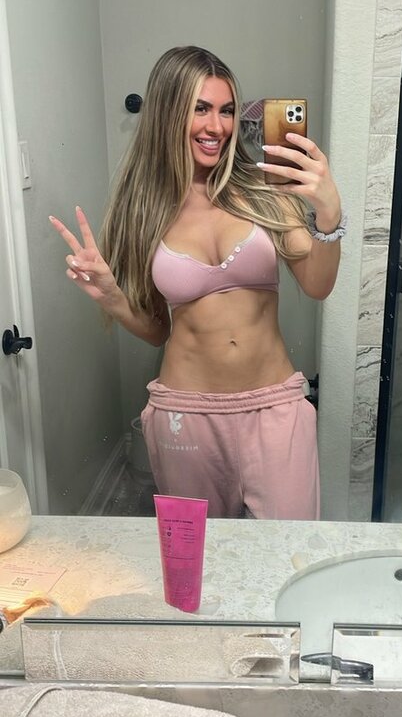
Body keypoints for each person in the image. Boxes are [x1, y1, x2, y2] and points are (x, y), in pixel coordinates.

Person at [50, 45, 344, 519]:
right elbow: (158, 330)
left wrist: (329, 216)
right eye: (200, 108)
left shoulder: (264, 190)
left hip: (274, 408)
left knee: (290, 551)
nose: (217, 126)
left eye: (226, 110)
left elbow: (317, 284)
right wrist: (114, 298)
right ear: (168, 113)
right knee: (197, 557)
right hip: (184, 415)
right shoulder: (143, 209)